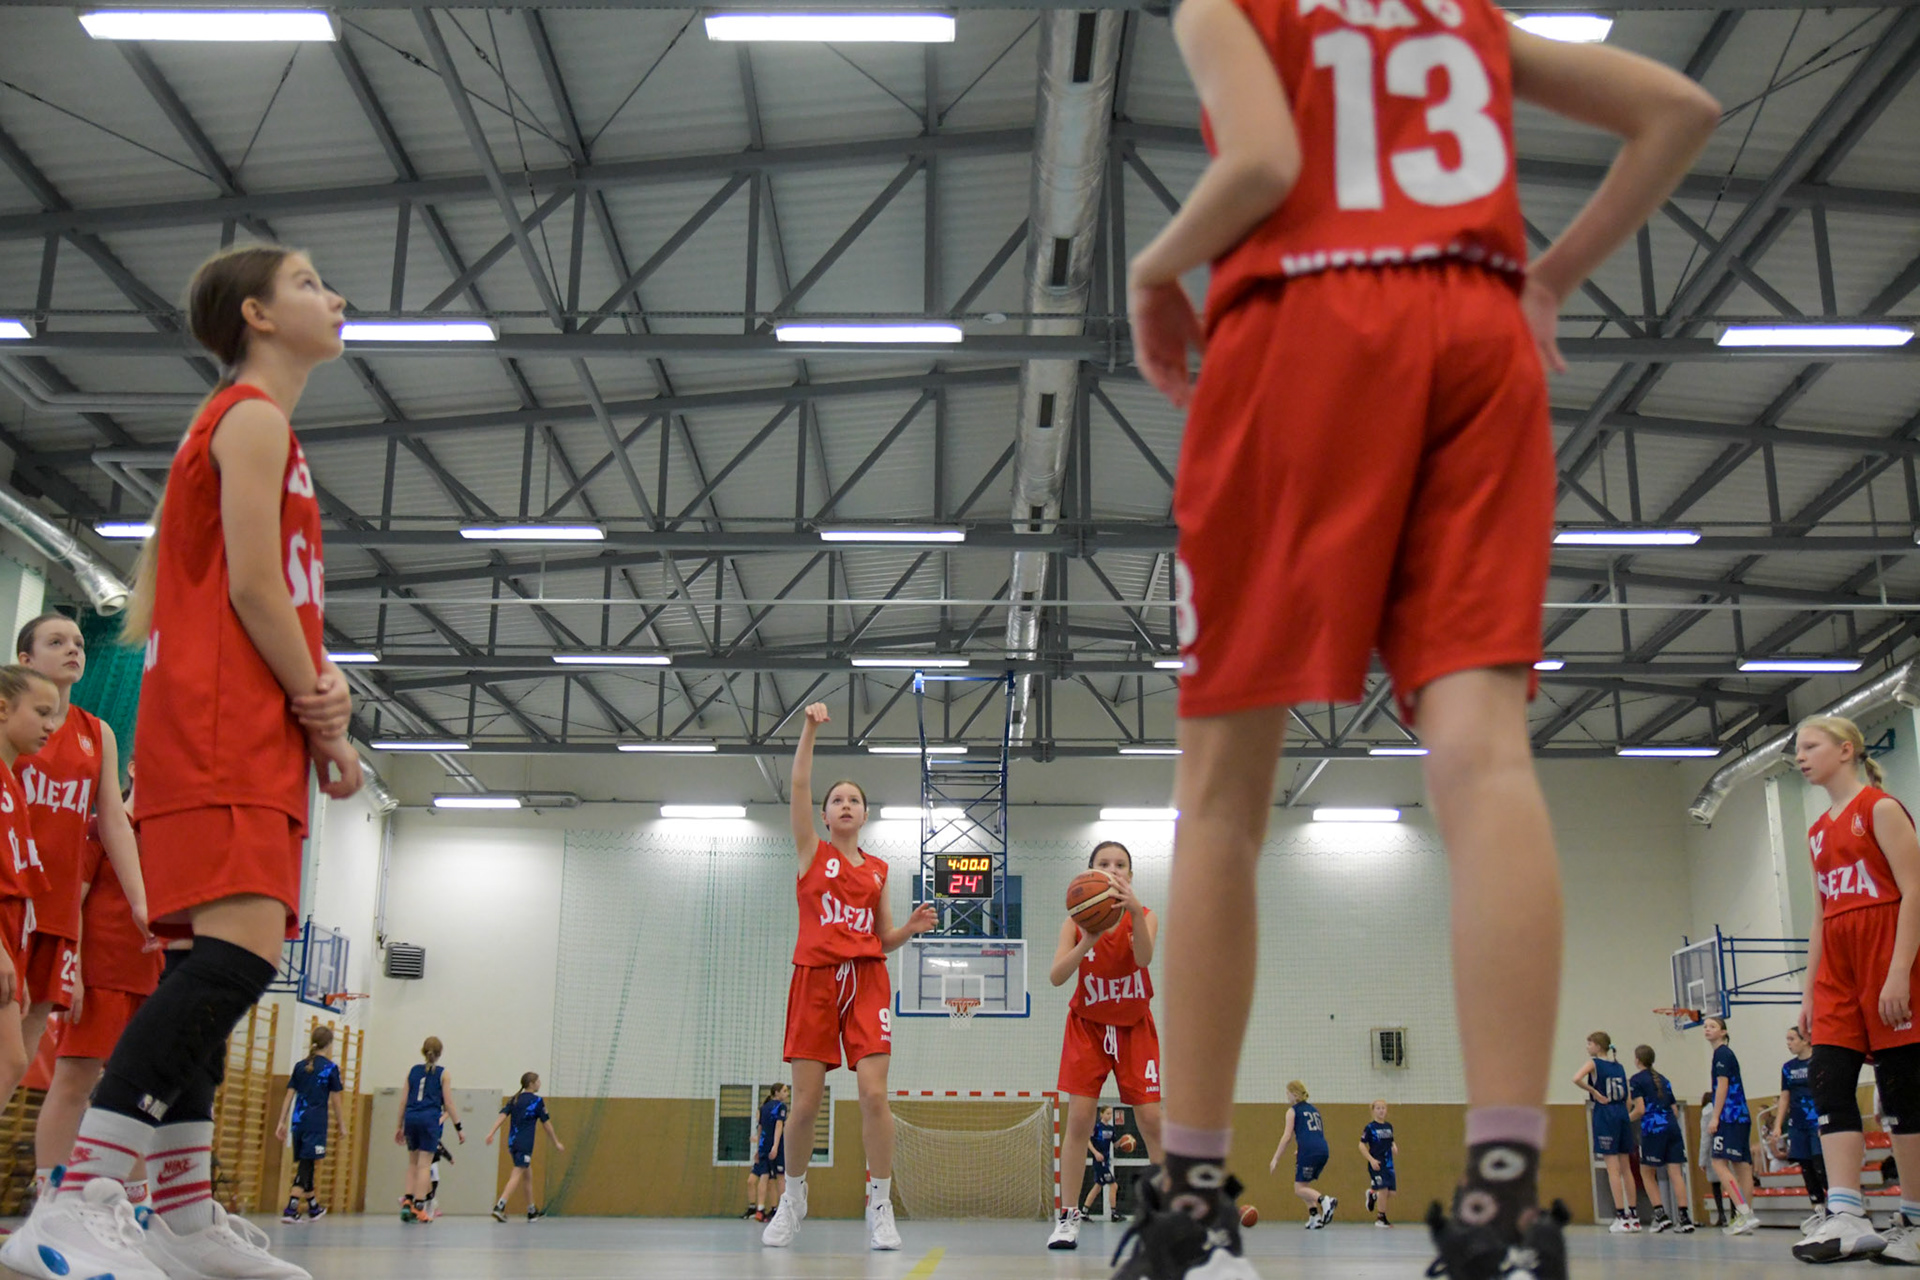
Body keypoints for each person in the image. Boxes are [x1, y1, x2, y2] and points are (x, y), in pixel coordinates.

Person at [1107, 0, 1719, 1267]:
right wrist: (1549, 277)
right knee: (1485, 755)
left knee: (1220, 794)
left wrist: (1154, 267)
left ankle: (1193, 1189)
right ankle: (1503, 1188)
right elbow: (1680, 111)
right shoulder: (1466, 16)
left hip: (1303, 331)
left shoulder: (1231, 6)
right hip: (1479, 335)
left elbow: (1263, 162)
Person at [0, 244, 360, 1280]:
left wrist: (321, 695)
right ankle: (79, 1198)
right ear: (255, 314)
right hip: (220, 725)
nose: (334, 296)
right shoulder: (249, 418)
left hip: (243, 727)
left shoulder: (254, 427)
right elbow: (253, 587)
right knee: (237, 958)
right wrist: (325, 713)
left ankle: (185, 1210)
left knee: (222, 962)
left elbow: (267, 591)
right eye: (308, 282)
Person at [760, 702, 937, 1253]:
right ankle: (792, 1198)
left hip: (866, 980)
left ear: (864, 815)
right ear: (824, 814)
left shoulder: (878, 870)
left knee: (873, 1095)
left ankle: (880, 1204)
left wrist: (908, 929)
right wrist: (809, 729)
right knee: (806, 1104)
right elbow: (797, 785)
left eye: (852, 800)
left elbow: (880, 939)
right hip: (814, 979)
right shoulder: (810, 852)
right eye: (835, 799)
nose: (843, 805)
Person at [1789, 716, 1920, 1264]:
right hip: (1837, 969)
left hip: (1885, 956)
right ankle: (1845, 1212)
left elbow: (1915, 890)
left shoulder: (1880, 810)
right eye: (1797, 748)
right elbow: (1821, 915)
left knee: (1902, 1091)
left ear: (1846, 750)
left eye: (1810, 745)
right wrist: (1808, 993)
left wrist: (1899, 970)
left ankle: (1915, 1218)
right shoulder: (1817, 831)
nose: (1799, 756)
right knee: (1827, 1080)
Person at [35, 787, 162, 1207]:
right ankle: (50, 1197)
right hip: (100, 976)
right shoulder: (101, 828)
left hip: (148, 980)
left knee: (139, 1094)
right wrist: (72, 972)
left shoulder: (165, 841)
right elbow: (75, 899)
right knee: (74, 1082)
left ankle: (136, 1202)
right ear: (133, 769)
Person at [1048, 840, 1163, 1250]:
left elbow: (1144, 959)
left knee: (1152, 1120)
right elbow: (1056, 976)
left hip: (1134, 1027)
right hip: (1088, 1028)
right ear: (1090, 873)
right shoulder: (1076, 922)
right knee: (1079, 1120)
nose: (1113, 869)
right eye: (1104, 863)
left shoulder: (1144, 915)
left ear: (1130, 876)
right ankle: (1068, 1216)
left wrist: (1131, 911)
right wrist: (1088, 939)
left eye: (1120, 864)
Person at [275, 1026, 343, 1223]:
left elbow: (289, 1095)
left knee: (308, 1161)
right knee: (306, 1164)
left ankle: (313, 1206)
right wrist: (341, 1124)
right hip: (316, 1122)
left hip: (298, 1121)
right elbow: (336, 1100)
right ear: (329, 1044)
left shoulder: (300, 1066)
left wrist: (281, 1121)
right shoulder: (330, 1068)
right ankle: (292, 1207)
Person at [1575, 1031, 1636, 1233]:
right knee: (1626, 1168)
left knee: (1613, 1169)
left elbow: (1576, 1078)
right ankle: (1633, 1216)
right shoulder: (1619, 1066)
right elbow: (1628, 1099)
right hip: (1622, 1113)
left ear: (1598, 1046)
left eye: (1589, 1043)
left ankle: (1621, 1216)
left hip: (1606, 1112)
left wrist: (1594, 1092)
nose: (1587, 1047)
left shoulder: (1594, 1063)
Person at [1701, 1016, 1757, 1236]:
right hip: (1740, 1116)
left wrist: (1715, 1117)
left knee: (1718, 1163)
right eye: (1705, 1026)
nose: (1707, 1029)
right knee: (1742, 1167)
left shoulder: (1722, 1054)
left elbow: (1722, 1085)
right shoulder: (1722, 1054)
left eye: (1713, 1026)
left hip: (1730, 1116)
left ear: (1723, 1032)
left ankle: (1744, 1212)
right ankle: (1746, 1216)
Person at [1628, 1045, 1692, 1234]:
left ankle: (1660, 1215)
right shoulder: (1664, 1080)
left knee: (1647, 1172)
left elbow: (1640, 1109)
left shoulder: (1636, 1080)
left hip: (1653, 1129)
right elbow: (1674, 1110)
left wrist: (1625, 1120)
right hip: (1672, 1127)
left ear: (1637, 1060)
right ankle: (1684, 1218)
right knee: (1676, 1173)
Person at [399, 1037, 464, 1223]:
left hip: (411, 1118)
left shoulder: (412, 1071)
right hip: (429, 1120)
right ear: (440, 1053)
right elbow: (448, 1103)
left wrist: (398, 1126)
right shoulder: (443, 1074)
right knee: (424, 1165)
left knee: (412, 1163)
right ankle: (419, 1207)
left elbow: (403, 1101)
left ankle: (407, 1202)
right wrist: (459, 1127)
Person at [1770, 1025, 1827, 1235]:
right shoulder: (1788, 1068)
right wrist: (1778, 1125)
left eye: (1792, 1038)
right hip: (1798, 1124)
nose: (1788, 1043)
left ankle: (1838, 1208)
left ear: (1805, 1040)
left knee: (1820, 1165)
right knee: (1806, 1167)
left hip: (1817, 1122)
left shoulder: (1818, 1061)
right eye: (1787, 1039)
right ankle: (1818, 1209)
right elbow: (1784, 1096)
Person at [487, 1071, 563, 1222]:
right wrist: (556, 1142)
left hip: (513, 1143)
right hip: (524, 1144)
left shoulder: (514, 1099)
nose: (540, 1083)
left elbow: (502, 1116)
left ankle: (531, 1210)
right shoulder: (537, 1101)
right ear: (531, 1084)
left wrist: (491, 1132)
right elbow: (547, 1124)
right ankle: (500, 1206)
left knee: (527, 1175)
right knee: (516, 1174)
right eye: (538, 1081)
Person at [1268, 1081, 1334, 1228]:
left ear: (1294, 1094)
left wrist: (1275, 1158)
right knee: (1304, 1184)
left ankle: (1325, 1200)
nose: (1286, 1096)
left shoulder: (1293, 1111)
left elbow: (1287, 1137)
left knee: (1299, 1189)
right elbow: (1312, 1132)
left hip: (1309, 1150)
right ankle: (1314, 1217)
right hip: (1322, 1149)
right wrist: (1301, 1148)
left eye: (1287, 1093)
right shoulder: (1314, 1110)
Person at [747, 1083, 789, 1223]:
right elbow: (778, 1126)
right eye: (784, 1091)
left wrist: (759, 1149)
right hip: (776, 1148)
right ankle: (782, 1210)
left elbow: (760, 1129)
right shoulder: (781, 1107)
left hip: (764, 1147)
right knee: (780, 1178)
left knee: (766, 1178)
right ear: (776, 1092)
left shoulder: (763, 1107)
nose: (787, 1093)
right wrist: (775, 1147)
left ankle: (762, 1210)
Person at [1360, 1099, 1399, 1228]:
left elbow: (1390, 1140)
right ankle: (1381, 1218)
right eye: (1378, 1108)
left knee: (1391, 1193)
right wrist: (1371, 1160)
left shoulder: (1389, 1126)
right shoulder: (1370, 1128)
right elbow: (1361, 1145)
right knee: (1383, 1189)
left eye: (1383, 1108)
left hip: (1389, 1164)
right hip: (1377, 1163)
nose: (1381, 1110)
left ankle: (1373, 1195)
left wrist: (1393, 1146)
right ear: (1373, 1111)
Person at [1081, 1106, 1120, 1225]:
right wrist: (1096, 1153)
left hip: (1106, 1161)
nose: (1110, 1116)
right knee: (1113, 1185)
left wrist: (1125, 1141)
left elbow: (1116, 1144)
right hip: (1099, 1161)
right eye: (1107, 1113)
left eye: (1111, 1114)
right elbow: (1087, 1140)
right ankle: (1114, 1214)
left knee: (1098, 1186)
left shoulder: (1111, 1129)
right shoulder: (1097, 1127)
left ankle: (1084, 1212)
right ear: (1101, 1114)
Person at [1699, 1089, 1726, 1227]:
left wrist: (1702, 1160)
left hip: (1714, 1151)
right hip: (1728, 1148)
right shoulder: (1725, 1109)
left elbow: (1705, 1138)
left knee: (1716, 1186)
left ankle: (1722, 1215)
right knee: (1731, 1183)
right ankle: (1737, 1213)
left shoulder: (1706, 1113)